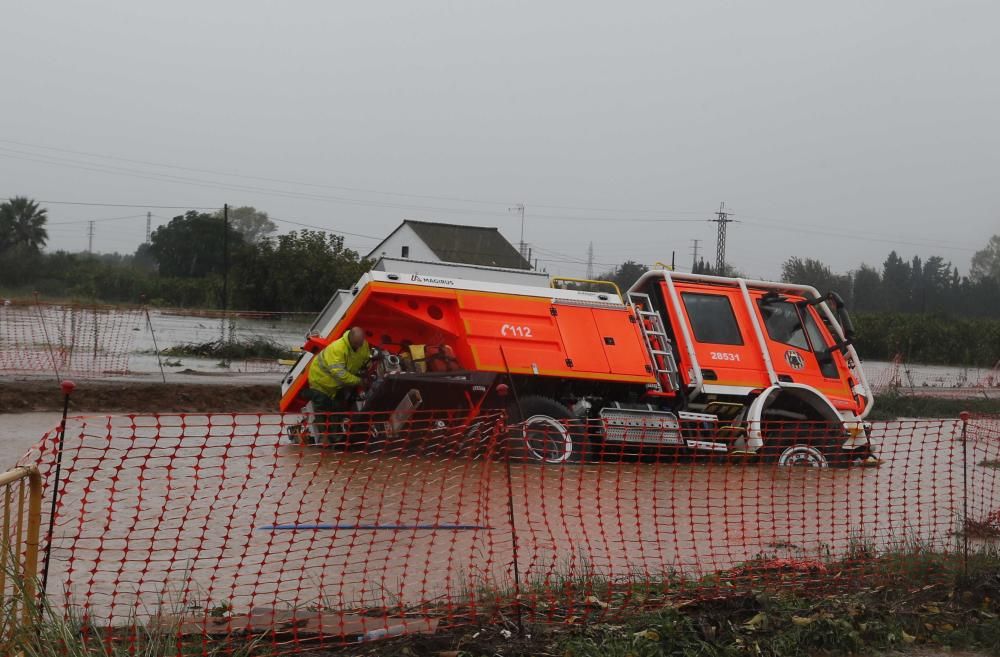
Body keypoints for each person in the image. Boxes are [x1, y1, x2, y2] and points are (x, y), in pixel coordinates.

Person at [307, 326, 372, 415]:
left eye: (361, 344)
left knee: (339, 410)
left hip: (336, 386)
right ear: (350, 340)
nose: (359, 347)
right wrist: (359, 381)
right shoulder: (338, 349)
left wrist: (369, 369)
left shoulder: (363, 344)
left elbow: (366, 358)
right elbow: (341, 374)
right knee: (324, 414)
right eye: (357, 344)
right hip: (320, 383)